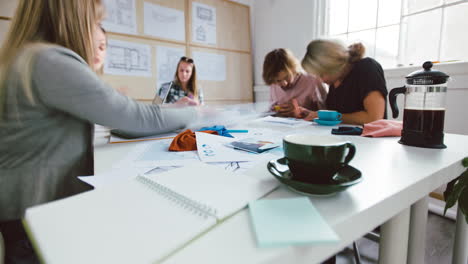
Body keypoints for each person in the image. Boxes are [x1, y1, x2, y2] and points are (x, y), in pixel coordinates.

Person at [0, 1, 198, 263]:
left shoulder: (26, 56)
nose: (97, 33)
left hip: (20, 208)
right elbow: (133, 117)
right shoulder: (49, 60)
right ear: (72, 18)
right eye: (94, 22)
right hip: (33, 214)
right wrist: (196, 113)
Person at [301, 39, 388, 125]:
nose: (321, 80)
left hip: (369, 137)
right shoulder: (335, 81)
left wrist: (332, 116)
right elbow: (340, 115)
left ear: (333, 66)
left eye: (321, 74)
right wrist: (312, 114)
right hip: (343, 135)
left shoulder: (367, 68)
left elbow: (374, 118)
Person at [262, 48, 326, 119]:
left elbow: (327, 112)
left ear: (293, 68)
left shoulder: (313, 80)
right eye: (278, 81)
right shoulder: (273, 84)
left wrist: (300, 111)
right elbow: (271, 110)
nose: (284, 83)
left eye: (287, 77)